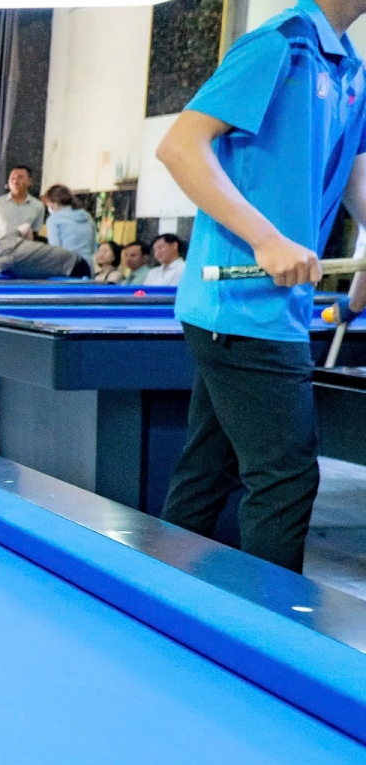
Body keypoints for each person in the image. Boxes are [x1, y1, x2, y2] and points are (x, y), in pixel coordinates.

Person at [154, 0, 366, 572]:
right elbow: (179, 146)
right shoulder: (279, 44)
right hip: (243, 304)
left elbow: (356, 179)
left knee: (209, 469)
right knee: (286, 479)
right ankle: (269, 623)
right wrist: (267, 239)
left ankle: (160, 594)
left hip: (272, 307)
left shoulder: (352, 70)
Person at [0, 229, 91, 281]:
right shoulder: (5, 239)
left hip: (75, 268)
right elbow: (25, 227)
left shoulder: (6, 258)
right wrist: (31, 253)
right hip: (73, 260)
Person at [0, 165, 46, 244]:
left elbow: (35, 232)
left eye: (20, 177)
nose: (15, 181)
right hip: (1, 248)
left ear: (29, 181)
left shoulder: (38, 206)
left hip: (25, 248)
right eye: (12, 178)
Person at [44, 184, 96, 257]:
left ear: (54, 203)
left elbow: (55, 250)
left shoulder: (53, 220)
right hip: (87, 262)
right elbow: (93, 248)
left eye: (48, 205)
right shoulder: (87, 216)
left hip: (67, 262)